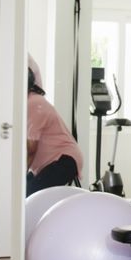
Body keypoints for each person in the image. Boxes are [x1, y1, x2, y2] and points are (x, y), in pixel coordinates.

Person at [26, 62, 84, 196]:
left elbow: (31, 149)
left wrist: (21, 175)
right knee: (25, 192)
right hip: (51, 162)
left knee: (30, 192)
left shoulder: (34, 103)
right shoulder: (28, 102)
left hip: (64, 160)